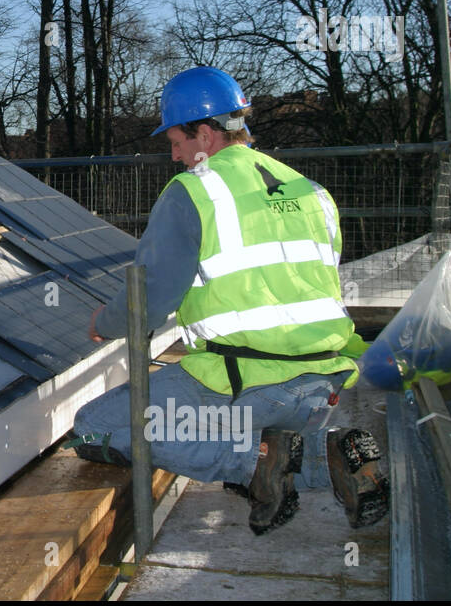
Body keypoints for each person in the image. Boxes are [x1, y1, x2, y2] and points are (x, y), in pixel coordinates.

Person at [70, 66, 389, 534]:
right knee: (264, 437)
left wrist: (108, 321)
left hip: (244, 385)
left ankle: (252, 465)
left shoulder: (194, 191)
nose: (176, 157)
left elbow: (151, 297)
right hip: (322, 386)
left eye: (176, 142)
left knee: (95, 428)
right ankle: (332, 456)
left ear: (204, 132)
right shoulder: (312, 191)